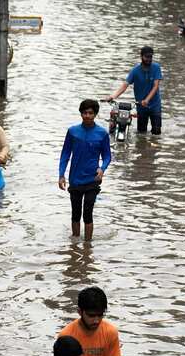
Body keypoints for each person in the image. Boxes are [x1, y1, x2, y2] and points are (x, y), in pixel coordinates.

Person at [57, 99, 111, 243]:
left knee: (88, 212)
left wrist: (102, 168)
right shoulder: (73, 132)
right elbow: (65, 154)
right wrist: (61, 175)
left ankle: (88, 245)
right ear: (80, 114)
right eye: (85, 113)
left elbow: (107, 156)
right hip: (75, 179)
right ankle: (75, 243)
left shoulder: (102, 133)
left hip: (93, 179)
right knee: (75, 213)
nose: (87, 116)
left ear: (95, 114)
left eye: (90, 113)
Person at [105, 45, 163, 135]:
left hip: (155, 105)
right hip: (141, 106)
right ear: (141, 57)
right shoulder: (135, 70)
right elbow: (125, 85)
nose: (149, 59)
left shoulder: (156, 67)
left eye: (150, 57)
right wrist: (112, 96)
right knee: (141, 133)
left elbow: (155, 86)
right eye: (146, 57)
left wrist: (147, 100)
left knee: (156, 132)